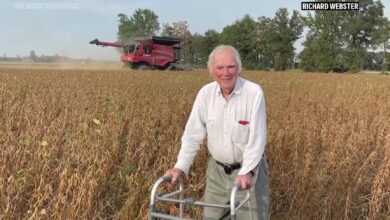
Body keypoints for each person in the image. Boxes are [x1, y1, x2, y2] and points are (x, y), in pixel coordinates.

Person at [165, 45, 269, 219]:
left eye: (231, 67)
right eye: (219, 68)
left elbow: (257, 138)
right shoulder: (205, 94)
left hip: (249, 171)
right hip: (217, 172)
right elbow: (192, 134)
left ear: (239, 69)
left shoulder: (253, 93)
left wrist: (248, 171)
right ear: (210, 71)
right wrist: (180, 167)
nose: (226, 73)